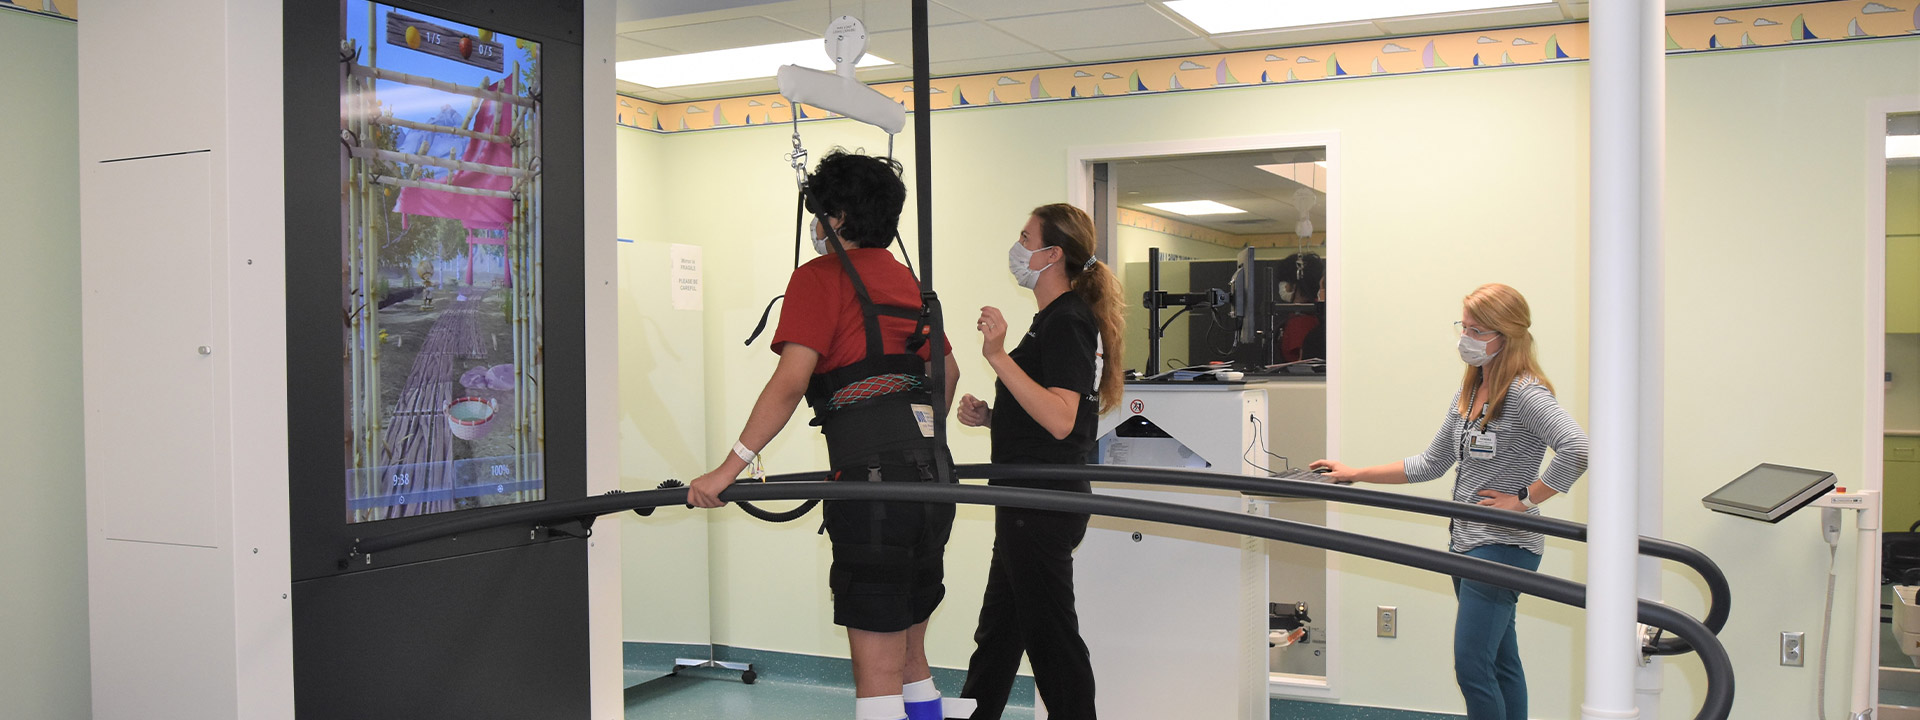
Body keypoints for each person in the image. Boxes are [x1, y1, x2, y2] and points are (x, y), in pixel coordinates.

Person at [687, 149, 961, 720]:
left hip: (874, 493)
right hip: (934, 485)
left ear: (837, 218)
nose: (815, 225)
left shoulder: (818, 278)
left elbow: (790, 384)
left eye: (820, 214)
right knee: (912, 655)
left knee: (878, 674)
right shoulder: (907, 279)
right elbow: (948, 374)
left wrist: (726, 471)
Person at [1310, 283, 1588, 720]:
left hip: (1504, 545)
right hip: (1468, 541)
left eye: (1477, 331)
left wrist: (1524, 499)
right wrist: (1355, 473)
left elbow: (1577, 449)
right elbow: (1431, 463)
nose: (1466, 338)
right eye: (1464, 326)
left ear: (1506, 336)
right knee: (1500, 661)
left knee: (1473, 666)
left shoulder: (1525, 393)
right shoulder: (1472, 390)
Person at [957, 203, 1125, 720]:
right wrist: (994, 418)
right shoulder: (1053, 319)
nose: (1018, 247)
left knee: (1051, 639)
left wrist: (997, 356)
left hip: (1041, 504)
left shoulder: (1068, 320)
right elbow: (1047, 414)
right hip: (1026, 498)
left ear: (1052, 254)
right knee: (998, 634)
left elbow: (1060, 419)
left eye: (1025, 238)